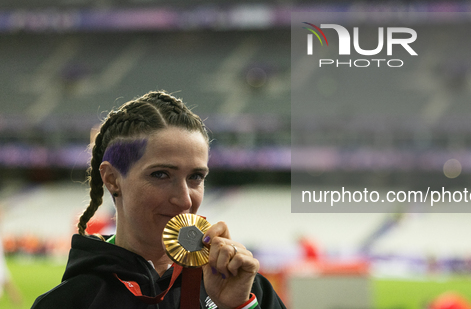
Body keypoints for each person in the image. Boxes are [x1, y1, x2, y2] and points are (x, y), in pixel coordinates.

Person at [32, 91, 286, 309]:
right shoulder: (69, 302)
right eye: (161, 174)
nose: (185, 200)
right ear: (112, 179)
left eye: (196, 176)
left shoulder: (247, 289)